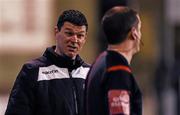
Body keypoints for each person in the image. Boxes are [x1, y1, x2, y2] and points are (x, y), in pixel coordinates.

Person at [5, 9, 90, 115]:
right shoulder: (33, 71)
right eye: (69, 33)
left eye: (80, 35)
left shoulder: (89, 73)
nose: (74, 40)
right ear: (56, 31)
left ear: (85, 38)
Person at [85, 6, 142, 115]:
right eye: (139, 29)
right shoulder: (118, 71)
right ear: (134, 33)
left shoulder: (100, 62)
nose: (140, 34)